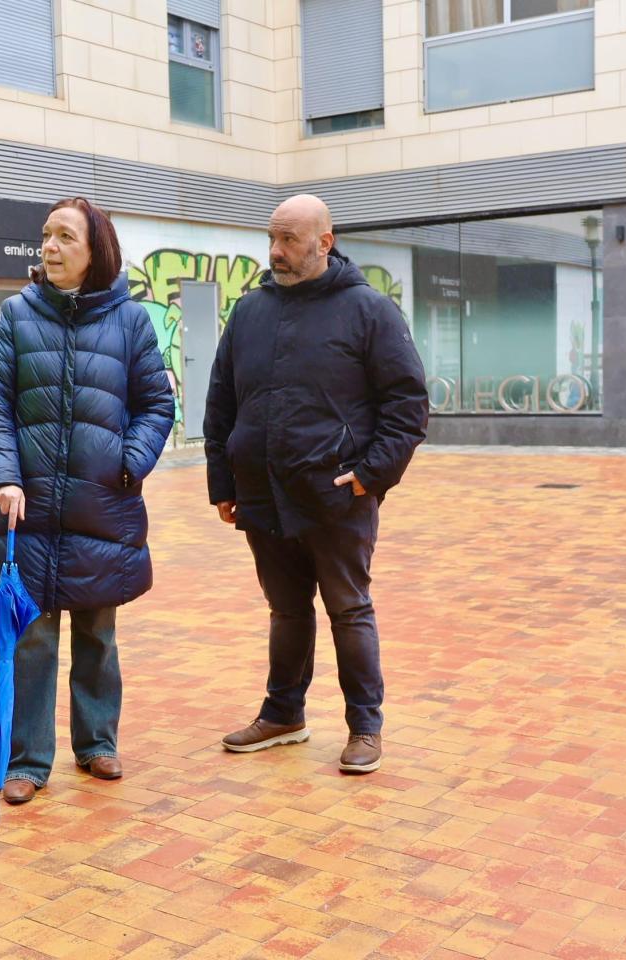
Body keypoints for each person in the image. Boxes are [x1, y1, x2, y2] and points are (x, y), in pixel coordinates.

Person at [204, 194, 428, 774]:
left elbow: (407, 406)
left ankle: (364, 727)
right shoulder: (250, 311)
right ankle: (284, 714)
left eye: (289, 240)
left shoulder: (369, 310)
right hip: (261, 493)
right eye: (271, 239)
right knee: (286, 611)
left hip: (336, 495)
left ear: (324, 243)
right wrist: (222, 478)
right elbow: (221, 401)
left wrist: (371, 476)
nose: (276, 251)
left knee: (349, 610)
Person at [0, 197, 175, 805]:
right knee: (30, 635)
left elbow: (156, 404)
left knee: (97, 633)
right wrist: (3, 476)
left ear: (97, 251)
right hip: (26, 513)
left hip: (100, 508)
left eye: (65, 237)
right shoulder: (17, 316)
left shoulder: (132, 321)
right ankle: (28, 762)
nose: (50, 248)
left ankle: (97, 744)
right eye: (46, 236)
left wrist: (129, 462)